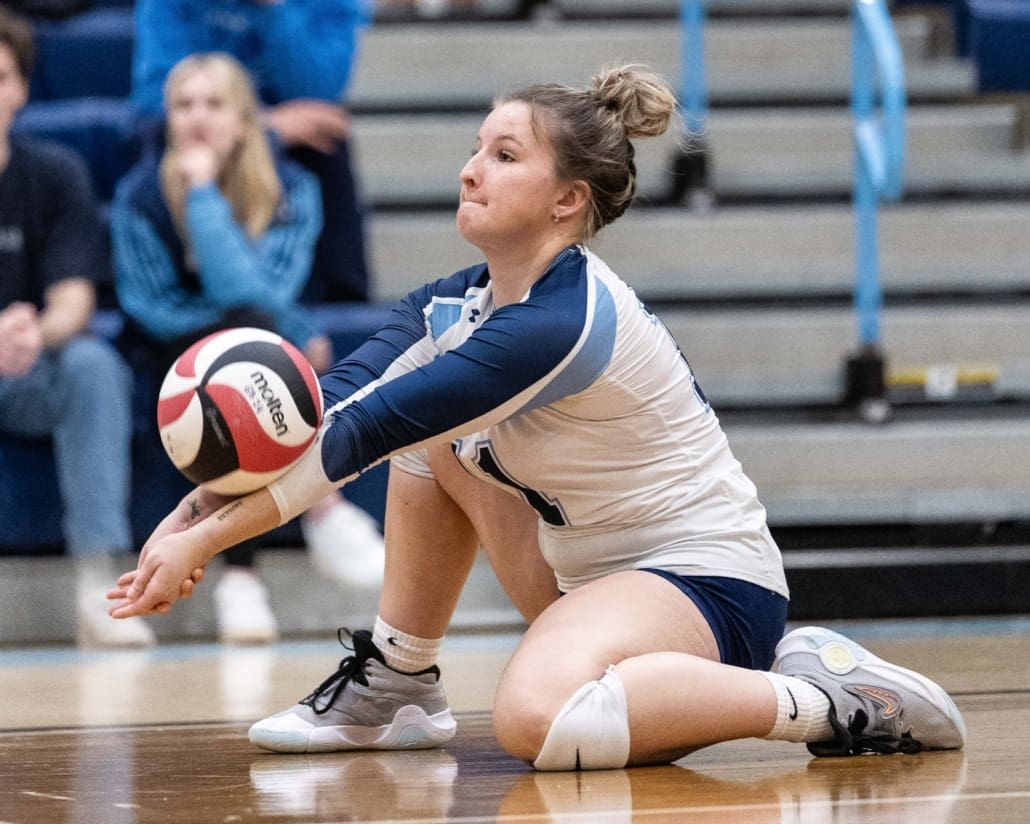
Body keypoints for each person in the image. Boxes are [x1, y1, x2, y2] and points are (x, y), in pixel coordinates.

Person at [108, 64, 966, 769]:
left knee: (536, 721)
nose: (469, 169)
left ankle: (828, 699)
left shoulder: (565, 322)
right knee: (428, 434)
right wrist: (187, 515)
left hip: (709, 586)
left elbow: (359, 439)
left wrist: (203, 543)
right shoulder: (452, 307)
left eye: (504, 154)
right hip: (582, 582)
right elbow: (331, 411)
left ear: (567, 202)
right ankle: (399, 681)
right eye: (476, 148)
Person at [110, 52, 384, 645]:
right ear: (167, 119)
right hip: (167, 359)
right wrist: (202, 193)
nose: (198, 118)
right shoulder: (139, 195)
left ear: (244, 120)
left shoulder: (292, 187)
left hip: (253, 352)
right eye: (184, 105)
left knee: (255, 354)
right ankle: (319, 502)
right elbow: (152, 306)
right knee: (262, 344)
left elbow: (265, 289)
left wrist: (206, 200)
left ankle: (245, 576)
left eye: (215, 104)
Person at [0, 5, 154, 648]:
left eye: (0, 74)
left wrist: (36, 330)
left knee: (94, 365)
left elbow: (73, 299)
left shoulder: (53, 172)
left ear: (21, 88)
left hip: (25, 369)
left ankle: (99, 589)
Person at [130, 0, 372, 304]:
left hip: (287, 146)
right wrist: (260, 123)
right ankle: (175, 290)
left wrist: (275, 10)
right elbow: (155, 97)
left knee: (325, 136)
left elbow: (318, 91)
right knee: (159, 131)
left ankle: (340, 305)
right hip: (209, 132)